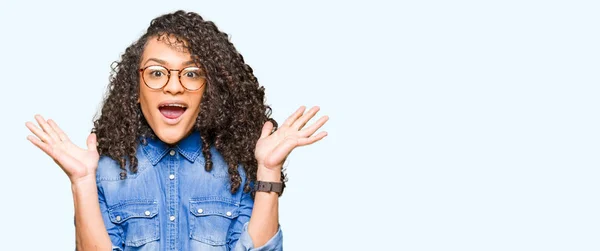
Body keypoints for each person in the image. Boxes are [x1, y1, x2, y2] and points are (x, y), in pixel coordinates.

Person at [25, 10, 328, 251]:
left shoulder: (241, 169)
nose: (173, 85)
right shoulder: (103, 173)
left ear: (210, 89)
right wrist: (81, 183)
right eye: (156, 72)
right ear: (136, 86)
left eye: (192, 73)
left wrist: (268, 170)